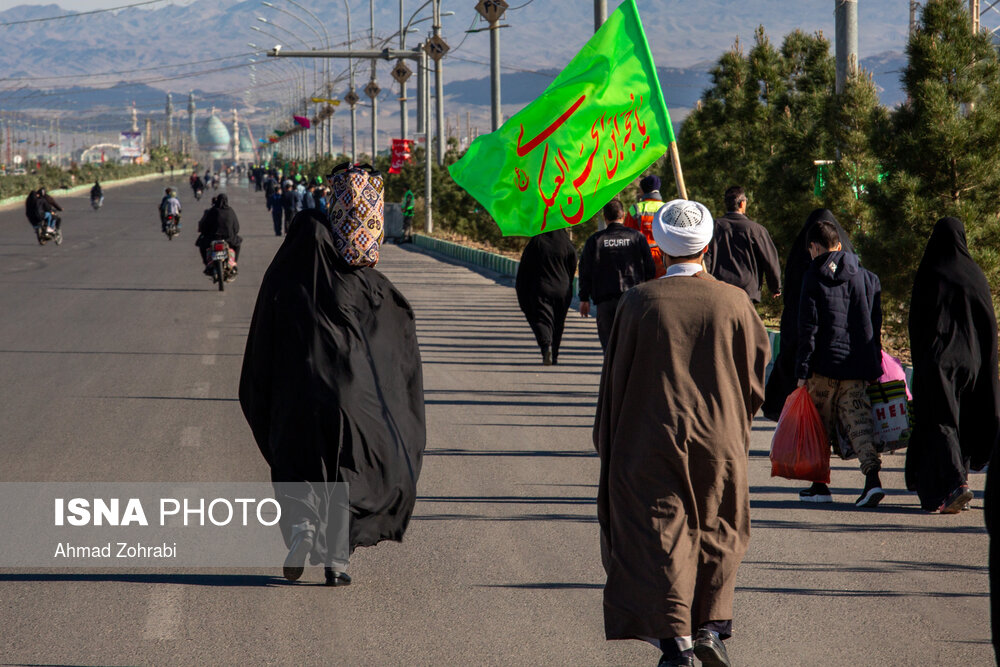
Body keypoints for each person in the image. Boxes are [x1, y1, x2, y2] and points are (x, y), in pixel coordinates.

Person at [596, 199, 769, 667]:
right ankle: (710, 625)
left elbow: (614, 381)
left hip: (651, 436)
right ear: (708, 247)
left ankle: (675, 640)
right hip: (719, 438)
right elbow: (756, 381)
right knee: (719, 526)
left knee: (662, 532)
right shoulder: (734, 301)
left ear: (660, 249)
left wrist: (608, 441)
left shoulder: (638, 302)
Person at [238, 206, 426, 586]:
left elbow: (260, 345)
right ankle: (336, 562)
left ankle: (302, 531)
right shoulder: (358, 280)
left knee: (296, 466)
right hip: (350, 401)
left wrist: (264, 396)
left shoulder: (281, 277)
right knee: (346, 473)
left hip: (295, 399)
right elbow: (393, 322)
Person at [906, 217, 998, 513]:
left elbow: (916, 323)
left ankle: (956, 485)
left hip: (939, 364)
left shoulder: (931, 271)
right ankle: (958, 484)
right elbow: (989, 324)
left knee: (940, 421)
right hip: (972, 363)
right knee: (964, 419)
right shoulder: (975, 275)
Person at [795, 219, 884, 507]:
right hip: (856, 365)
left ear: (815, 247)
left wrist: (802, 372)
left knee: (819, 425)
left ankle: (820, 485)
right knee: (860, 424)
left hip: (823, 367)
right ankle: (872, 481)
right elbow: (870, 325)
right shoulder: (863, 275)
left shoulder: (813, 275)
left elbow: (808, 329)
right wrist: (873, 368)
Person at [762, 209, 855, 421]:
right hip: (839, 345)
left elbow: (792, 300)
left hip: (802, 339)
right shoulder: (852, 266)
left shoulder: (802, 262)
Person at [578, 199, 656, 351]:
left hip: (605, 301)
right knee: (631, 345)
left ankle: (612, 373)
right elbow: (650, 269)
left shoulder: (595, 240)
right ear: (623, 215)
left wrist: (584, 298)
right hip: (633, 299)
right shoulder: (637, 237)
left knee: (609, 347)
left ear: (605, 218)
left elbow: (585, 270)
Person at [706, 185, 781, 303]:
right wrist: (775, 286)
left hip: (719, 289)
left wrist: (705, 283)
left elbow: (706, 258)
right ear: (742, 204)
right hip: (747, 290)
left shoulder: (713, 228)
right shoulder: (756, 230)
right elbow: (770, 260)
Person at [515, 229, 578, 365]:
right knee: (558, 322)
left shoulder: (537, 242)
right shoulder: (566, 243)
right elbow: (573, 265)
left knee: (541, 319)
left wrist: (522, 290)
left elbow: (525, 269)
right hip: (563, 289)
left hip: (541, 287)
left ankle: (546, 346)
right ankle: (555, 355)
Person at [623, 173, 666, 278]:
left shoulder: (635, 209)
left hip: (641, 259)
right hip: (663, 258)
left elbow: (627, 237)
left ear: (643, 190)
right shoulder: (666, 208)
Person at [195, 193, 242, 272]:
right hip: (228, 239)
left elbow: (205, 225)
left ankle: (207, 264)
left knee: (201, 245)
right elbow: (236, 227)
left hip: (213, 238)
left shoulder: (212, 211)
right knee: (238, 245)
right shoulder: (230, 211)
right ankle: (234, 263)